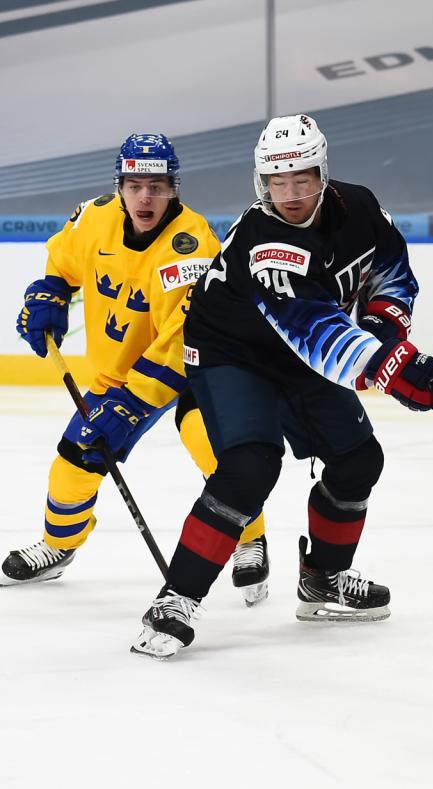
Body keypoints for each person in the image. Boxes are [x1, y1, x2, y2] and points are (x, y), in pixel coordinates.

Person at [130, 114, 433, 659]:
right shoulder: (268, 242)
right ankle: (176, 598)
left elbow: (392, 273)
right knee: (250, 465)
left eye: (301, 180)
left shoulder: (359, 207)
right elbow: (315, 333)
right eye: (276, 181)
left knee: (358, 461)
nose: (288, 194)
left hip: (296, 355)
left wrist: (386, 333)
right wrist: (391, 366)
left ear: (323, 174)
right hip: (231, 355)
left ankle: (323, 580)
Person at [8, 133, 270, 601]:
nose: (145, 196)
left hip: (200, 367)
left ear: (174, 188)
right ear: (120, 185)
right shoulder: (95, 217)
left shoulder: (191, 247)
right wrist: (49, 292)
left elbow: (178, 341)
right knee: (73, 462)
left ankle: (251, 539)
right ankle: (58, 546)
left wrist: (130, 405)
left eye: (156, 185)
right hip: (118, 373)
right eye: (134, 185)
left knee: (217, 450)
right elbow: (62, 262)